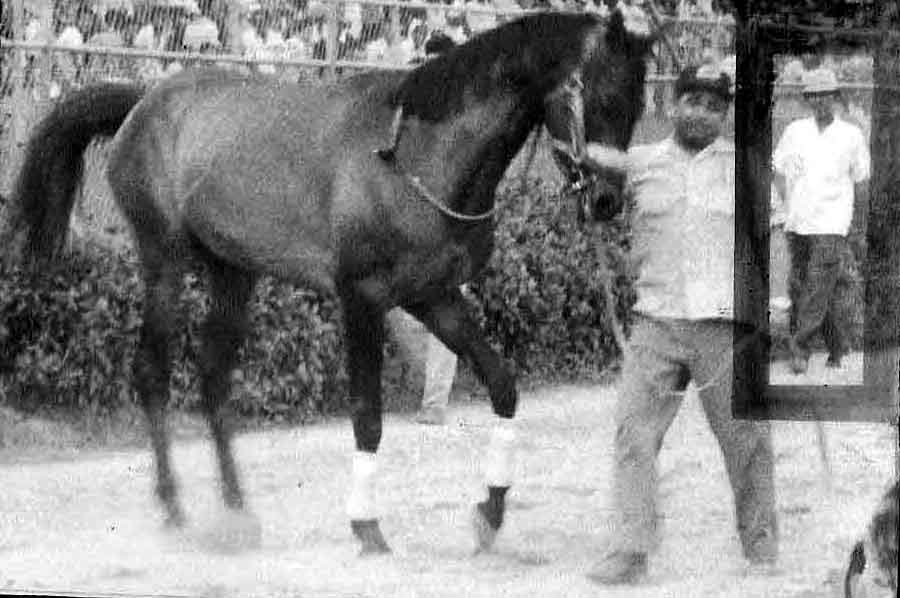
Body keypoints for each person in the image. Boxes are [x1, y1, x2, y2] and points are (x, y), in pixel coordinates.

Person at [581, 62, 778, 584]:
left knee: (748, 440)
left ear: (724, 115)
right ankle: (630, 549)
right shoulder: (640, 164)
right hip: (657, 322)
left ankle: (761, 548)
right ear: (673, 104)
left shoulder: (746, 167)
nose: (702, 114)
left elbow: (765, 243)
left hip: (723, 325)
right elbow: (589, 164)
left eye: (715, 107)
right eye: (693, 101)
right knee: (633, 433)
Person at [772, 67, 870, 374]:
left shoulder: (851, 135)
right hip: (798, 220)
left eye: (826, 95)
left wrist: (859, 223)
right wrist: (783, 204)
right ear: (807, 99)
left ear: (836, 97)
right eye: (814, 96)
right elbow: (778, 169)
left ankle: (799, 348)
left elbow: (862, 180)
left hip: (832, 223)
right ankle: (838, 345)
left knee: (816, 286)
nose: (820, 101)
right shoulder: (795, 131)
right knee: (808, 287)